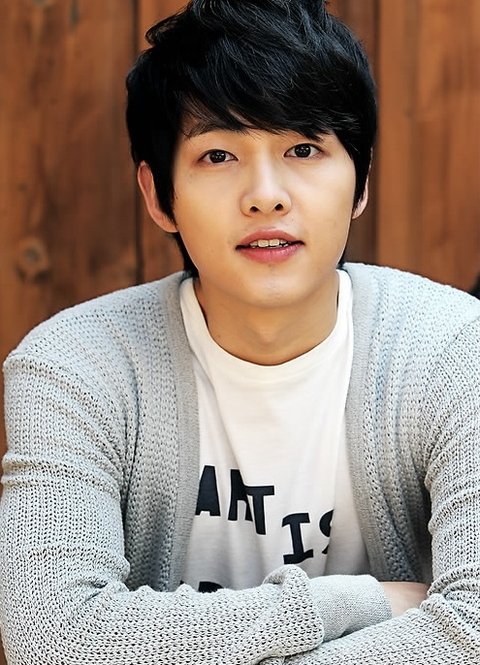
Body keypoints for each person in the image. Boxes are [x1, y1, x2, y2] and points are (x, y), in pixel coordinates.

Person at [0, 0, 479, 663]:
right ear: (158, 195)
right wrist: (359, 601)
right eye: (219, 154)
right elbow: (52, 636)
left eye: (304, 149)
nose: (265, 195)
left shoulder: (453, 350)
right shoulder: (76, 367)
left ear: (361, 181)